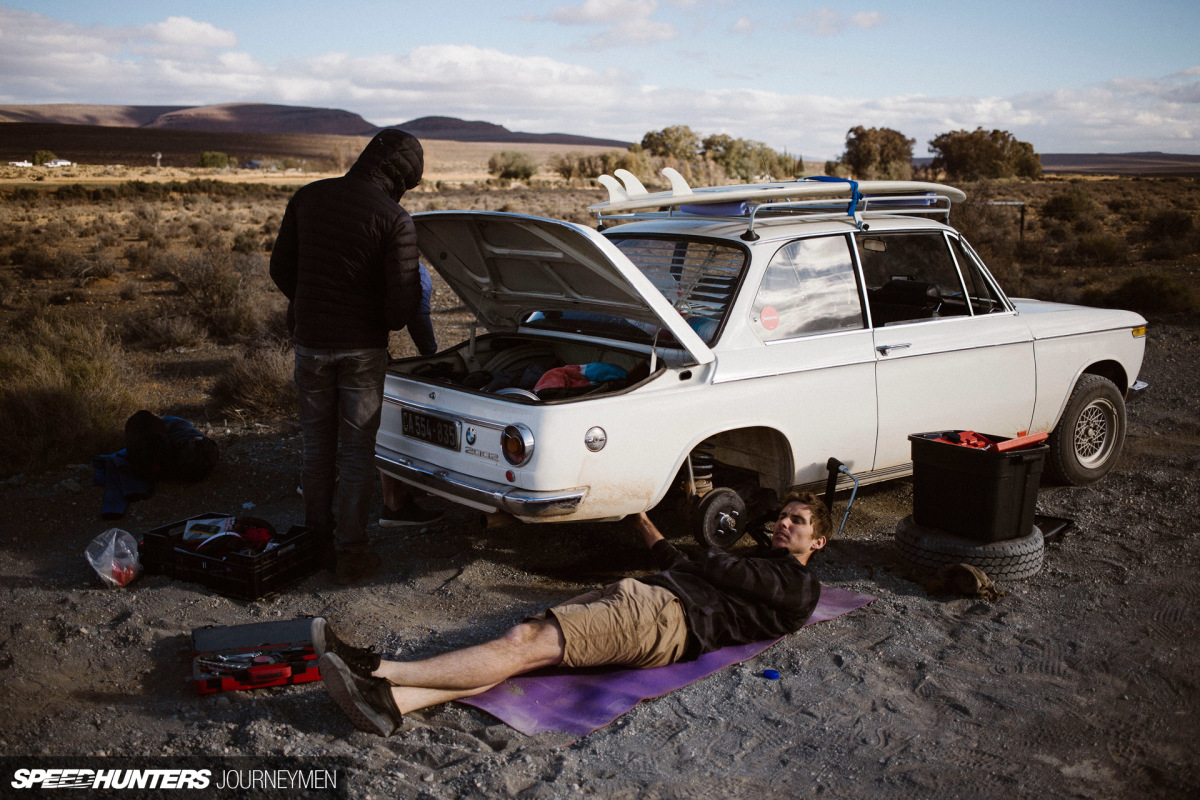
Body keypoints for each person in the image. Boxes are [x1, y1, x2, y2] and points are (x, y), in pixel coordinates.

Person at [314, 490, 830, 736]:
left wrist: (712, 522)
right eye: (784, 516)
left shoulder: (798, 584)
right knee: (527, 647)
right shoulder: (761, 566)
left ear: (818, 541)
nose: (785, 524)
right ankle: (395, 703)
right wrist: (643, 522)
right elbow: (685, 564)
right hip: (649, 598)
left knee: (523, 643)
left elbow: (721, 568)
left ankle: (378, 670)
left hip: (665, 618)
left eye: (798, 521)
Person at [270, 129, 424, 585]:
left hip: (310, 344)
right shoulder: (395, 219)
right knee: (357, 453)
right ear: (400, 178)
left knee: (316, 447)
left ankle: (315, 543)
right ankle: (351, 553)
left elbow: (280, 269)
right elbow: (400, 309)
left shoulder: (308, 197)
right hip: (362, 351)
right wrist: (367, 312)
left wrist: (313, 303)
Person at [378, 261, 445, 528]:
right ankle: (394, 503)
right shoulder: (415, 271)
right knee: (385, 418)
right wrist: (432, 356)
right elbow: (418, 319)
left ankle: (318, 486)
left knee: (325, 427)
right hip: (360, 348)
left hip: (311, 343)